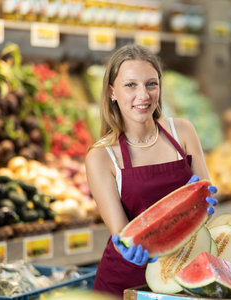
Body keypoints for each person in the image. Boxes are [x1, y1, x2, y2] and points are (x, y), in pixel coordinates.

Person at [85, 44, 218, 297]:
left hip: (182, 272)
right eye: (130, 85)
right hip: (124, 281)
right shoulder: (101, 156)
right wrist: (129, 250)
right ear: (112, 92)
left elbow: (203, 200)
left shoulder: (183, 131)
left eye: (151, 84)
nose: (143, 95)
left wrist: (204, 206)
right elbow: (124, 235)